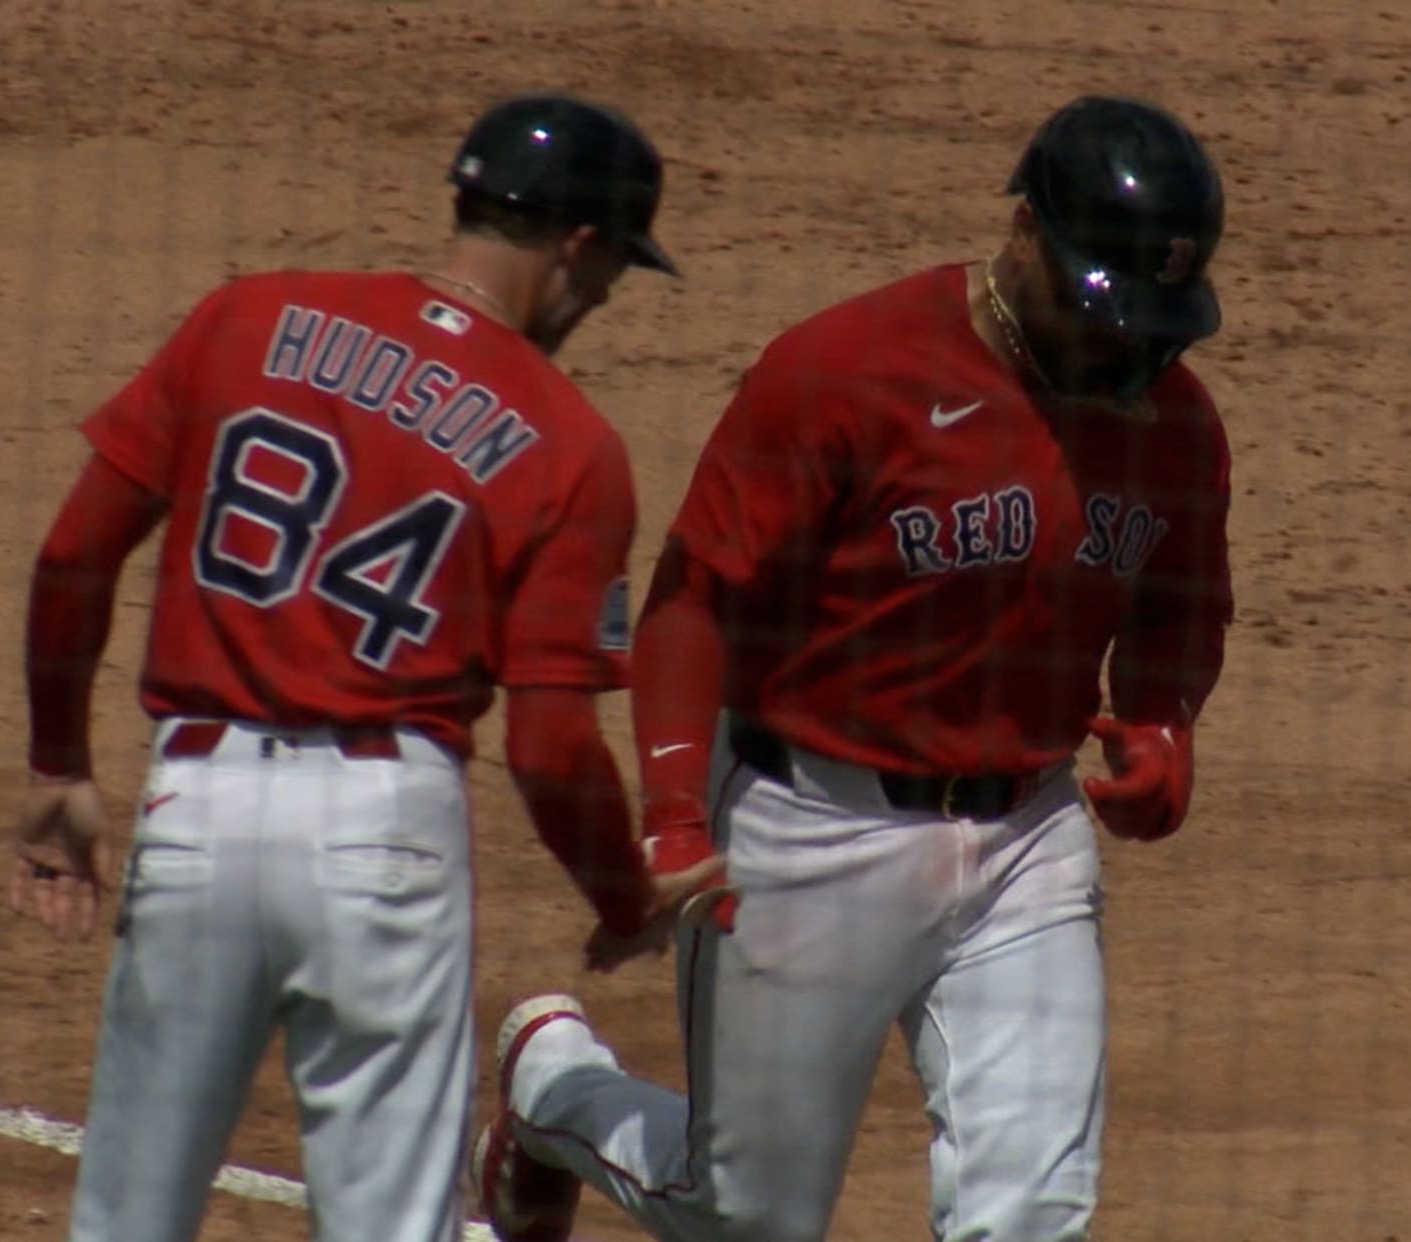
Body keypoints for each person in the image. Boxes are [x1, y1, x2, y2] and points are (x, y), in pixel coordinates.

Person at [474, 93, 1239, 1242]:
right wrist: (676, 814)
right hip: (806, 823)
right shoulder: (847, 372)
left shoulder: (1173, 423)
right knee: (743, 1216)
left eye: (1147, 318)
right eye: (1103, 311)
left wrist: (1163, 720)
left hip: (1026, 839)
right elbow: (694, 597)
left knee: (1031, 1211)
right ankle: (551, 1087)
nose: (1124, 345)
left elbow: (1183, 601)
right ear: (1023, 233)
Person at [6, 91, 716, 1242]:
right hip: (387, 839)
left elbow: (75, 554)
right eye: (609, 275)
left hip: (199, 810)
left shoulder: (246, 316)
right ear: (578, 246)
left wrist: (56, 762)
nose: (598, 302)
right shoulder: (573, 445)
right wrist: (623, 898)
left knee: (126, 1220)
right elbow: (549, 746)